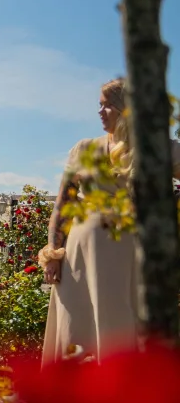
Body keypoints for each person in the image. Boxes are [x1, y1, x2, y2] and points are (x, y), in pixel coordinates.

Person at [41, 78, 180, 363]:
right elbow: (63, 205)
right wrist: (52, 254)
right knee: (75, 330)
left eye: (108, 106)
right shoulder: (84, 149)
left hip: (132, 257)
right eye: (100, 105)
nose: (100, 112)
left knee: (124, 328)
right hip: (80, 256)